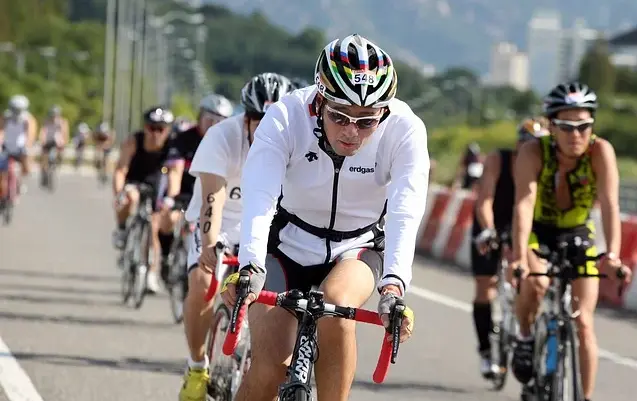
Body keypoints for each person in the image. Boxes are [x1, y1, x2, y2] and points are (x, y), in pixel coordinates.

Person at [220, 34, 424, 401]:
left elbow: (405, 209)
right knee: (269, 368)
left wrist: (393, 287)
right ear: (319, 102)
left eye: (366, 122)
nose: (351, 131)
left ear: (385, 113)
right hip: (286, 243)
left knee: (339, 301)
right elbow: (260, 195)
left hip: (357, 245)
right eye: (340, 116)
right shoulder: (286, 116)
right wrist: (250, 265)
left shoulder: (405, 129)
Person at [510, 82, 633, 401]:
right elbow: (524, 203)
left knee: (584, 323)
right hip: (538, 230)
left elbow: (609, 205)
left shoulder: (600, 151)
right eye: (566, 126)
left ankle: (585, 396)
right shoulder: (533, 151)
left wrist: (613, 256)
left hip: (577, 232)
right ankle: (524, 336)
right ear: (551, 125)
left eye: (584, 126)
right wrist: (519, 257)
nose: (576, 134)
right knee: (535, 284)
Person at [177, 74, 293, 401]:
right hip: (222, 221)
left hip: (267, 227)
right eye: (262, 123)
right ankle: (197, 365)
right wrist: (212, 243)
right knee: (203, 283)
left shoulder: (296, 141)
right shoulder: (222, 136)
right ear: (247, 118)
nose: (270, 132)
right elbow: (213, 197)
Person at [470, 117, 547, 379]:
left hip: (522, 226)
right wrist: (489, 230)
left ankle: (527, 333)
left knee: (531, 278)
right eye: (527, 144)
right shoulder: (498, 159)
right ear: (518, 144)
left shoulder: (546, 164)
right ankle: (485, 351)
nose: (531, 151)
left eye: (538, 146)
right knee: (485, 285)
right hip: (492, 219)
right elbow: (484, 200)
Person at [160, 93, 234, 280]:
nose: (213, 125)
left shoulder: (228, 143)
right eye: (209, 120)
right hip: (185, 192)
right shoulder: (184, 138)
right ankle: (165, 255)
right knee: (169, 218)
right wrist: (172, 197)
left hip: (213, 195)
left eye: (220, 121)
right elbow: (175, 170)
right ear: (200, 117)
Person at [112, 106, 182, 294]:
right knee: (130, 198)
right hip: (135, 180)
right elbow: (121, 169)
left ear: (168, 130)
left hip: (158, 185)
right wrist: (119, 193)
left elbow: (175, 176)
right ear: (145, 127)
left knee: (153, 227)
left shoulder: (173, 147)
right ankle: (121, 229)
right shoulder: (134, 141)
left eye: (161, 129)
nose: (155, 134)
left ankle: (152, 272)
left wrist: (170, 199)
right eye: (151, 128)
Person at [0, 95, 37, 179]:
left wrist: (28, 144)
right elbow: (1, 131)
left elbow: (31, 134)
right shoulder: (6, 117)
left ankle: (20, 181)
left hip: (21, 146)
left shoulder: (28, 119)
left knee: (26, 166)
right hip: (7, 145)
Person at [39, 105, 69, 176]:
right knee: (44, 154)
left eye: (56, 115)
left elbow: (64, 132)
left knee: (61, 152)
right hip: (48, 140)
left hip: (58, 141)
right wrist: (42, 139)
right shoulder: (46, 121)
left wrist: (64, 142)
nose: (54, 116)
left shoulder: (62, 122)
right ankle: (44, 169)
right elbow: (43, 131)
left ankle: (58, 162)